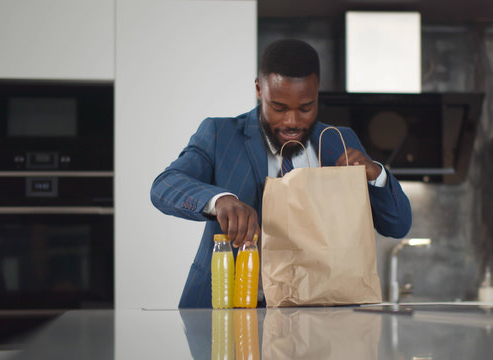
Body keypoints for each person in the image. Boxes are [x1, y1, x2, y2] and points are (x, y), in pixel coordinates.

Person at [151, 39, 412, 308]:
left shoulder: (338, 141)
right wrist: (220, 201)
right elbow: (165, 186)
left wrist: (376, 175)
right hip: (229, 307)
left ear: (317, 93)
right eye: (279, 107)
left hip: (320, 315)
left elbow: (397, 224)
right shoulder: (220, 134)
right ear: (258, 89)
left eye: (306, 107)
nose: (292, 121)